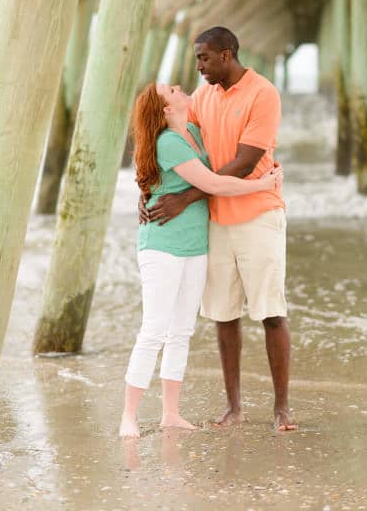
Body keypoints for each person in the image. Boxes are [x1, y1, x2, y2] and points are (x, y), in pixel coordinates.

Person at [144, 26, 295, 431]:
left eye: (204, 58)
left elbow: (245, 162)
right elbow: (175, 143)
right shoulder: (204, 97)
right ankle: (234, 407)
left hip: (259, 214)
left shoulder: (263, 93)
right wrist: (147, 193)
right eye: (197, 59)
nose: (198, 67)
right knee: (223, 316)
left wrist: (186, 198)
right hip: (216, 220)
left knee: (271, 313)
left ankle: (281, 409)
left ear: (226, 56)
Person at [121, 82, 281, 438]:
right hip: (162, 246)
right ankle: (129, 416)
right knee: (154, 330)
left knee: (181, 332)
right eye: (173, 90)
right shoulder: (169, 143)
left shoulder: (191, 131)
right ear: (165, 109)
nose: (181, 87)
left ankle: (170, 414)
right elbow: (216, 184)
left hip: (195, 246)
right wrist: (264, 185)